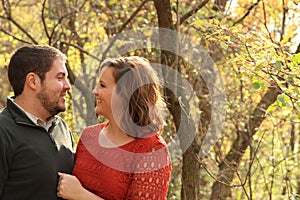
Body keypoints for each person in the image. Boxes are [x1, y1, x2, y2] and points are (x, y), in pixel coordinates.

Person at [57, 56, 172, 200]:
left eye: (103, 86)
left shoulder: (152, 151)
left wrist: (81, 195)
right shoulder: (89, 136)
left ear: (125, 94)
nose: (95, 91)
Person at [0, 45, 74, 200]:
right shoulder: (3, 130)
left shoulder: (62, 128)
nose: (67, 86)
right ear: (33, 81)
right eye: (60, 78)